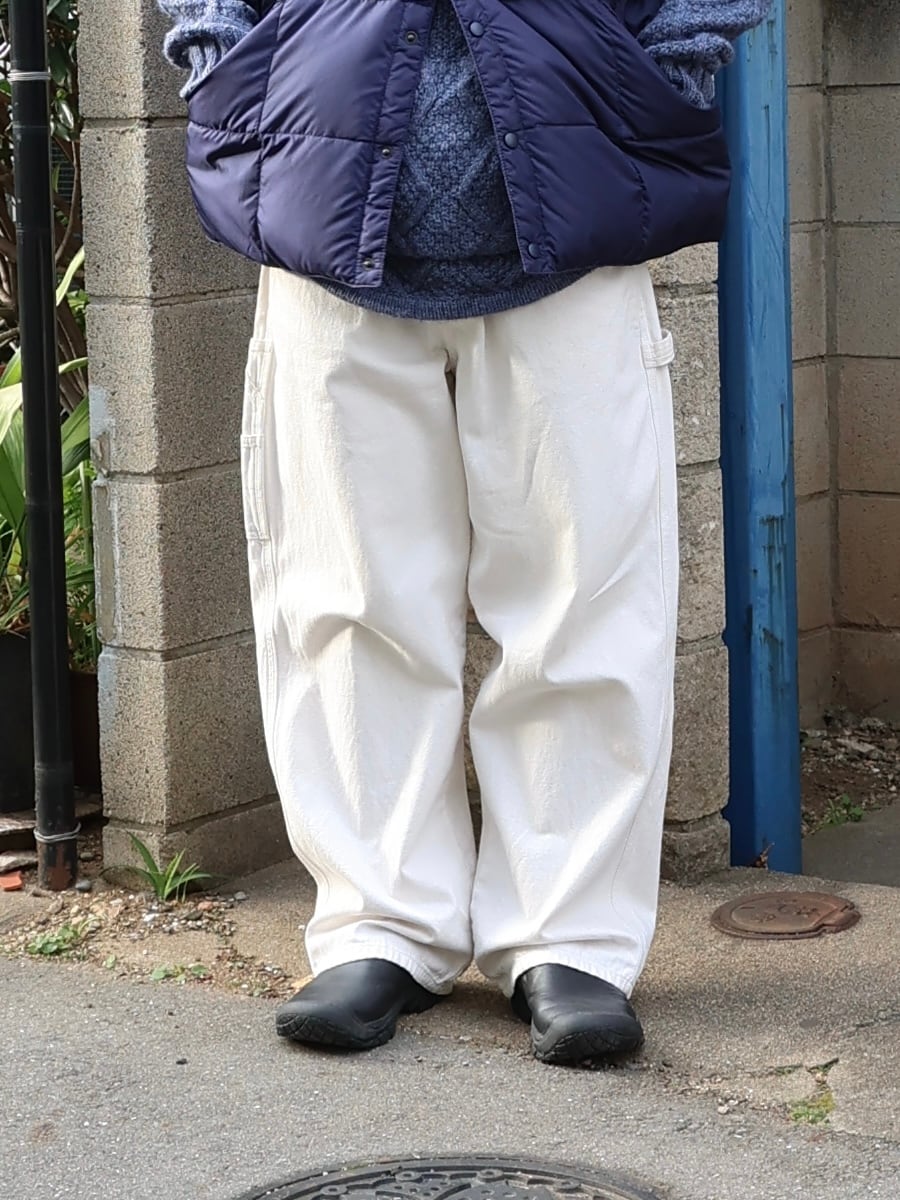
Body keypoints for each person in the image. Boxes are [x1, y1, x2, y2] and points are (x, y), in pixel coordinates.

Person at [158, 0, 770, 1066]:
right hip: (323, 193)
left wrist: (671, 62)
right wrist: (226, 51)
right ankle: (378, 922)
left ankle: (572, 937)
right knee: (345, 596)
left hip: (578, 205)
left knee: (585, 599)